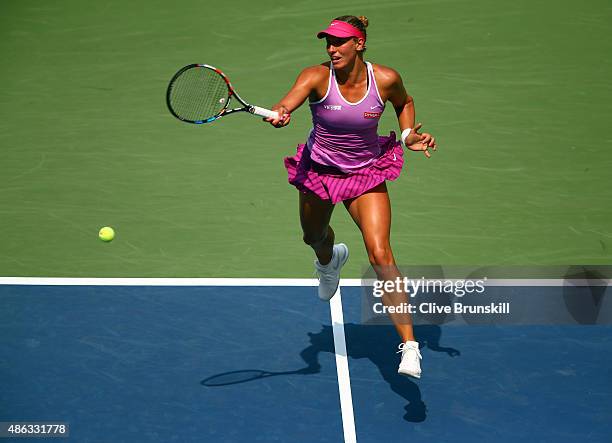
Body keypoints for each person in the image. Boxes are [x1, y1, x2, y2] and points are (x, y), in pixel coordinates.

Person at [265, 15, 437, 379]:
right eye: (328, 42)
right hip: (320, 172)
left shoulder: (385, 79)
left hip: (365, 173)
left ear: (359, 44)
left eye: (340, 42)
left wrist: (407, 136)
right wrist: (282, 112)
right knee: (313, 237)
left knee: (381, 253)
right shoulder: (315, 76)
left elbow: (405, 102)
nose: (332, 48)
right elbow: (289, 102)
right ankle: (329, 262)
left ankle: (410, 346)